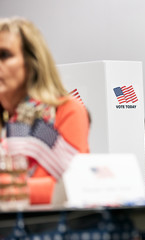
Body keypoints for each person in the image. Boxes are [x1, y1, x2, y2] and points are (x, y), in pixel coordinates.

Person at [0, 17, 90, 205]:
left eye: (4, 55)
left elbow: (73, 184)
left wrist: (11, 191)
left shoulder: (65, 110)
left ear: (32, 62)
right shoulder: (5, 119)